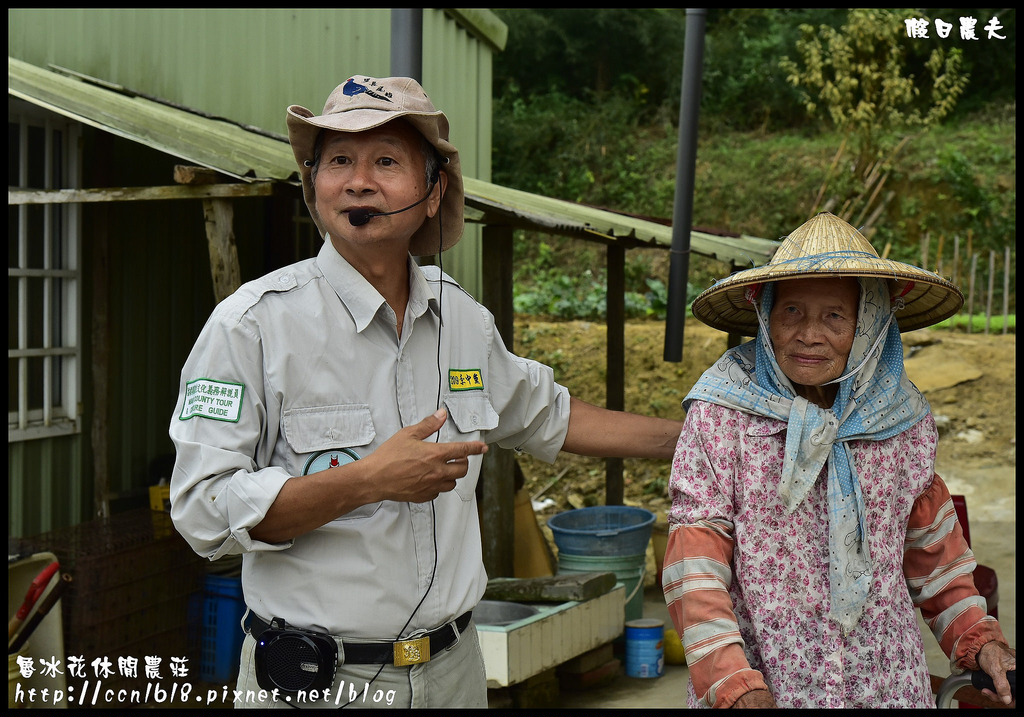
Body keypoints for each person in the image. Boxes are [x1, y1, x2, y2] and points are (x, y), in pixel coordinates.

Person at [168, 74, 684, 710]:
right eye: (338, 162)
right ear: (314, 185)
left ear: (434, 190)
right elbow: (201, 512)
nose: (358, 181)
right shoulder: (252, 326)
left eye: (386, 161)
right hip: (315, 684)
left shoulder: (462, 320)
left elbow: (548, 415)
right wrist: (367, 480)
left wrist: (697, 439)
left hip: (453, 674)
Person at [661, 212, 1015, 709]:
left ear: (868, 324)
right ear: (765, 315)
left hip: (885, 681)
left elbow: (933, 553)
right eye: (791, 312)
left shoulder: (899, 416)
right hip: (770, 684)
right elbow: (693, 565)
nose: (809, 334)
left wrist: (980, 639)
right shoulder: (723, 413)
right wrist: (734, 683)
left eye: (834, 316)